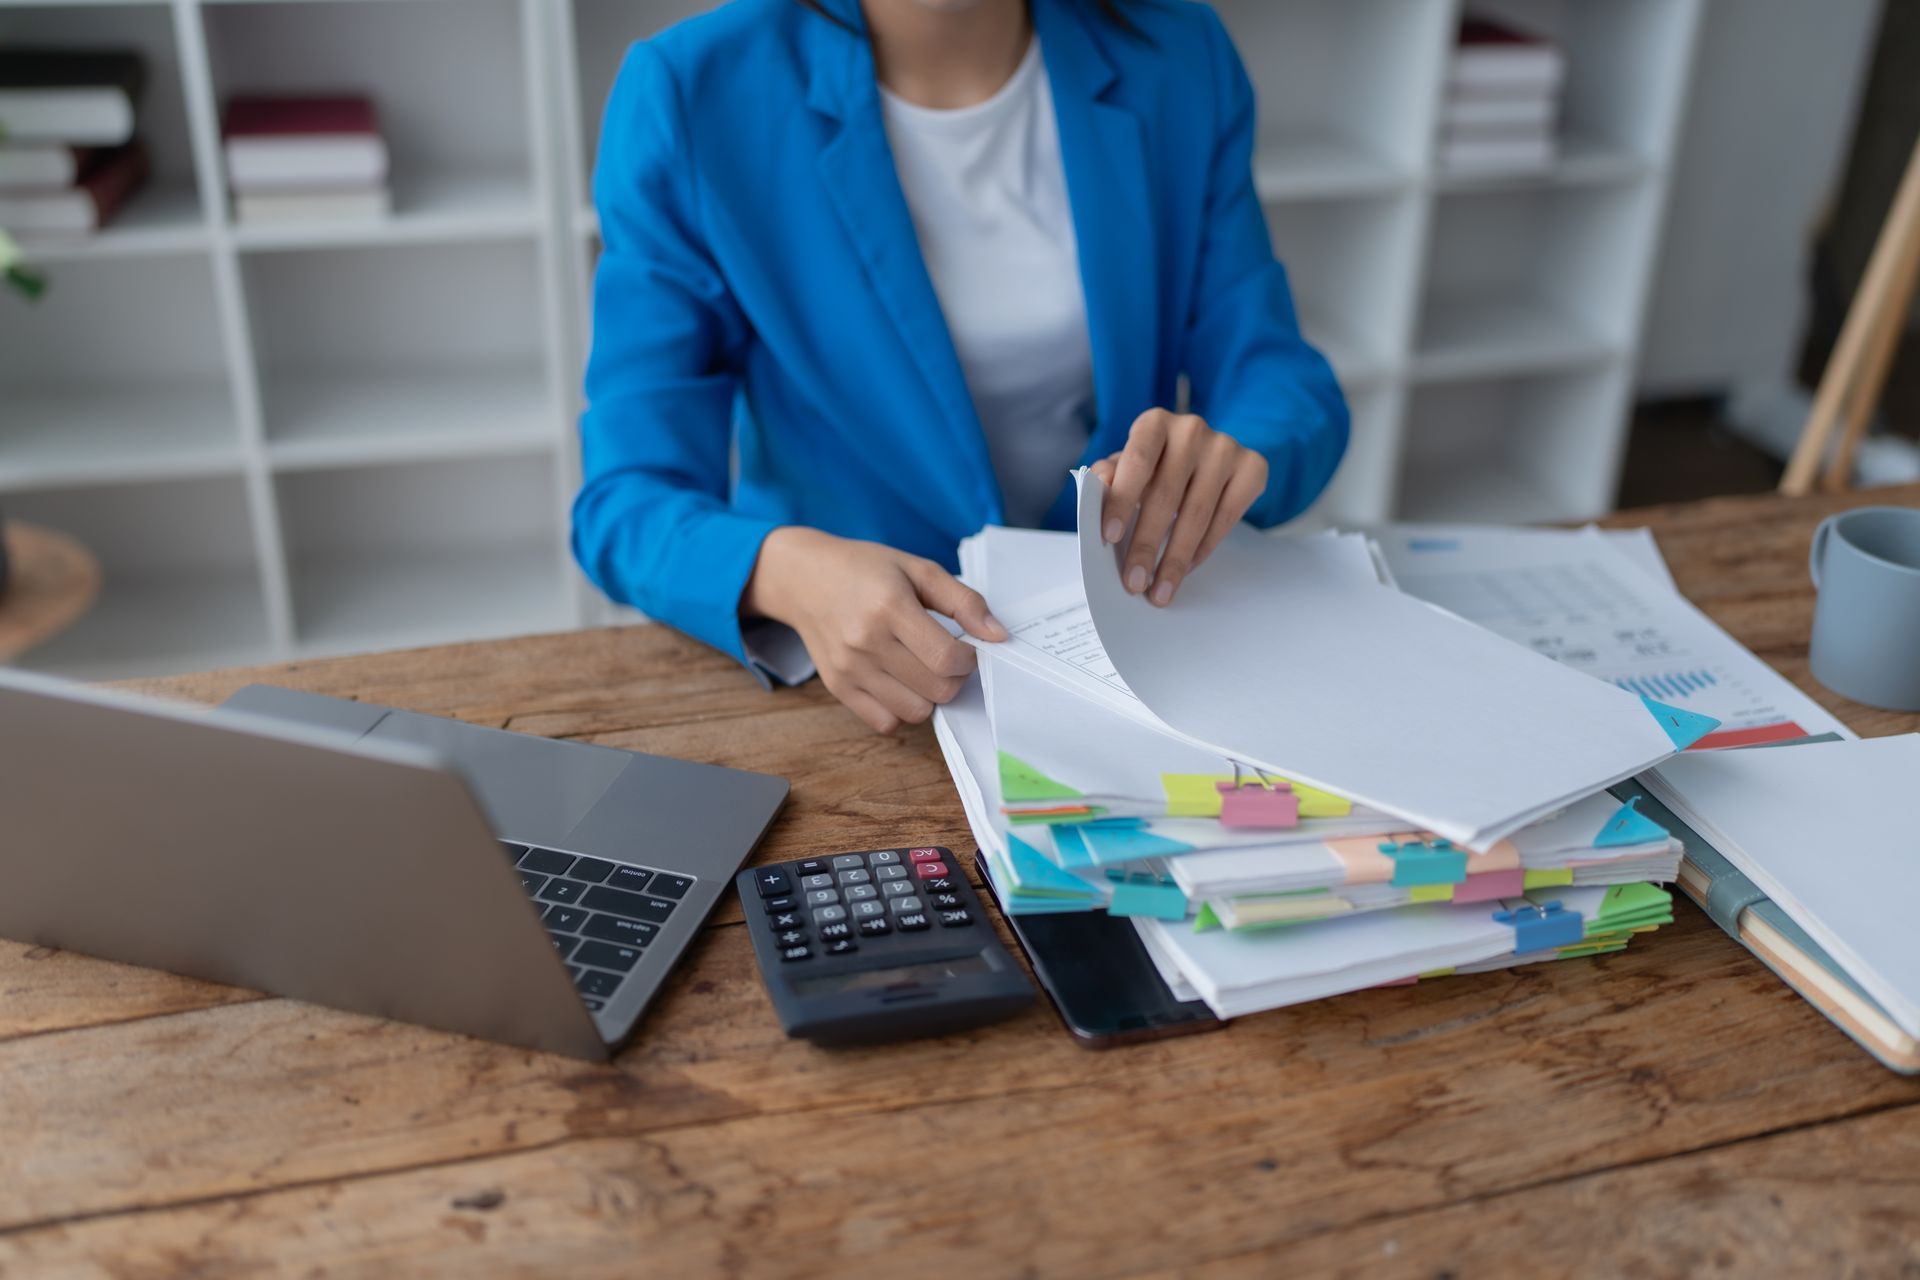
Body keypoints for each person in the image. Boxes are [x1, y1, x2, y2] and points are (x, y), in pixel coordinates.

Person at [574, 0, 1348, 733]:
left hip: (1131, 647)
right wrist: (786, 571)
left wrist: (1236, 455)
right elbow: (625, 500)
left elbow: (1281, 380)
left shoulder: (1177, 56)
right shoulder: (692, 92)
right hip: (862, 683)